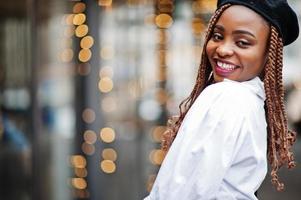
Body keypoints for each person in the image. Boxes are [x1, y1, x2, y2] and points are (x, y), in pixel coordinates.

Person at [144, 0, 299, 199]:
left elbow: (179, 194)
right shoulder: (250, 99)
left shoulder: (227, 97)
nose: (223, 49)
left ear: (269, 54)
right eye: (217, 36)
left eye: (242, 42)